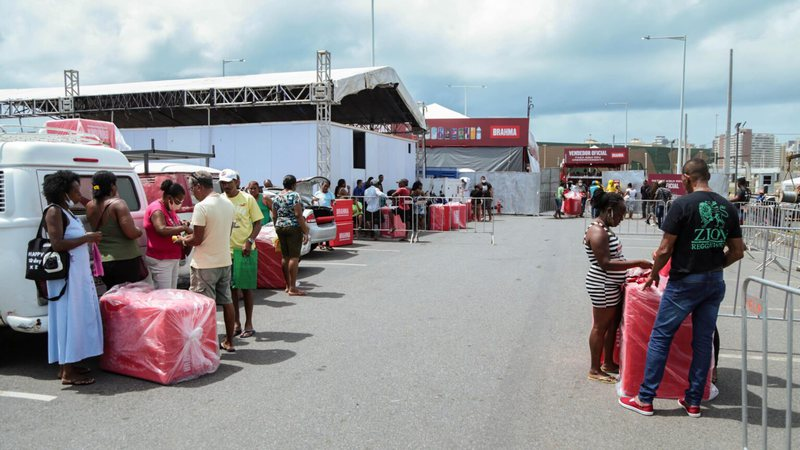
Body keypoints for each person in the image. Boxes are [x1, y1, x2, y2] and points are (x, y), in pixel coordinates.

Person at [619, 158, 744, 417]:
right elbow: (738, 251)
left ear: (686, 177)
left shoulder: (683, 205)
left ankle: (645, 399)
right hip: (714, 281)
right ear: (707, 176)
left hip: (685, 282)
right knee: (702, 342)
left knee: (661, 338)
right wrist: (715, 263)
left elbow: (665, 249)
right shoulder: (726, 207)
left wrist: (653, 275)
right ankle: (694, 400)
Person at [42, 170, 104, 385]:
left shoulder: (66, 211)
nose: (79, 193)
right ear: (63, 191)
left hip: (76, 275)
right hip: (66, 276)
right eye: (75, 190)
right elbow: (57, 243)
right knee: (70, 318)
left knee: (75, 317)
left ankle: (67, 364)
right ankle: (68, 372)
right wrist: (86, 238)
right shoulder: (54, 211)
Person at [584, 190, 653, 384]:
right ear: (609, 210)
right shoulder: (597, 231)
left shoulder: (604, 228)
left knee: (612, 325)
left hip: (610, 284)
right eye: (621, 213)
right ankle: (595, 368)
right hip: (603, 284)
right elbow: (605, 263)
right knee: (600, 327)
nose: (623, 218)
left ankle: (608, 363)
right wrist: (637, 262)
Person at [180, 171, 237, 353]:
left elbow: (197, 239)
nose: (192, 193)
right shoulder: (228, 203)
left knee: (203, 307)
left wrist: (183, 240)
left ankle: (206, 346)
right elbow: (225, 233)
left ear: (199, 186)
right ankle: (229, 341)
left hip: (205, 265)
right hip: (224, 260)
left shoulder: (202, 207)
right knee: (227, 301)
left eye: (192, 189)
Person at [220, 169, 263, 339]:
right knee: (231, 290)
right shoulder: (220, 199)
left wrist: (250, 241)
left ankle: (249, 323)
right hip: (225, 251)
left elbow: (258, 223)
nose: (225, 186)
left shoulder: (247, 199)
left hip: (245, 251)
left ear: (237, 182)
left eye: (228, 182)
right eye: (223, 183)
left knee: (246, 289)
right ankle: (236, 323)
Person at [86, 170, 146, 289]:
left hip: (103, 261)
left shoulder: (89, 206)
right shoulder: (118, 204)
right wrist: (139, 231)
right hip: (124, 260)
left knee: (113, 296)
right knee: (127, 297)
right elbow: (131, 233)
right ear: (112, 186)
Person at [143, 179, 192, 289]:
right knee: (164, 295)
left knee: (171, 293)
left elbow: (173, 225)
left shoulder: (169, 208)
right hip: (161, 259)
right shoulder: (157, 209)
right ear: (169, 198)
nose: (179, 205)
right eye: (178, 201)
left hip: (172, 257)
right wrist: (183, 227)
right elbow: (161, 229)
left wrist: (182, 224)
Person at [272, 175, 310, 296]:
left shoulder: (278, 196)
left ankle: (287, 285)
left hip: (280, 226)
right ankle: (293, 288)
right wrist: (305, 231)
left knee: (285, 256)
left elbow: (274, 215)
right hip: (293, 227)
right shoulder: (294, 195)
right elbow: (298, 214)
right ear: (294, 184)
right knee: (294, 257)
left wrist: (277, 226)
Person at [313, 180, 335, 250]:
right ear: (321, 185)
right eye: (325, 186)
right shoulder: (317, 193)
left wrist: (334, 203)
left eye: (327, 186)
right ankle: (320, 244)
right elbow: (312, 201)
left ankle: (328, 244)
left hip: (328, 212)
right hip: (319, 212)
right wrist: (314, 200)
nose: (326, 188)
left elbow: (333, 201)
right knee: (320, 227)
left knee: (327, 227)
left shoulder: (330, 194)